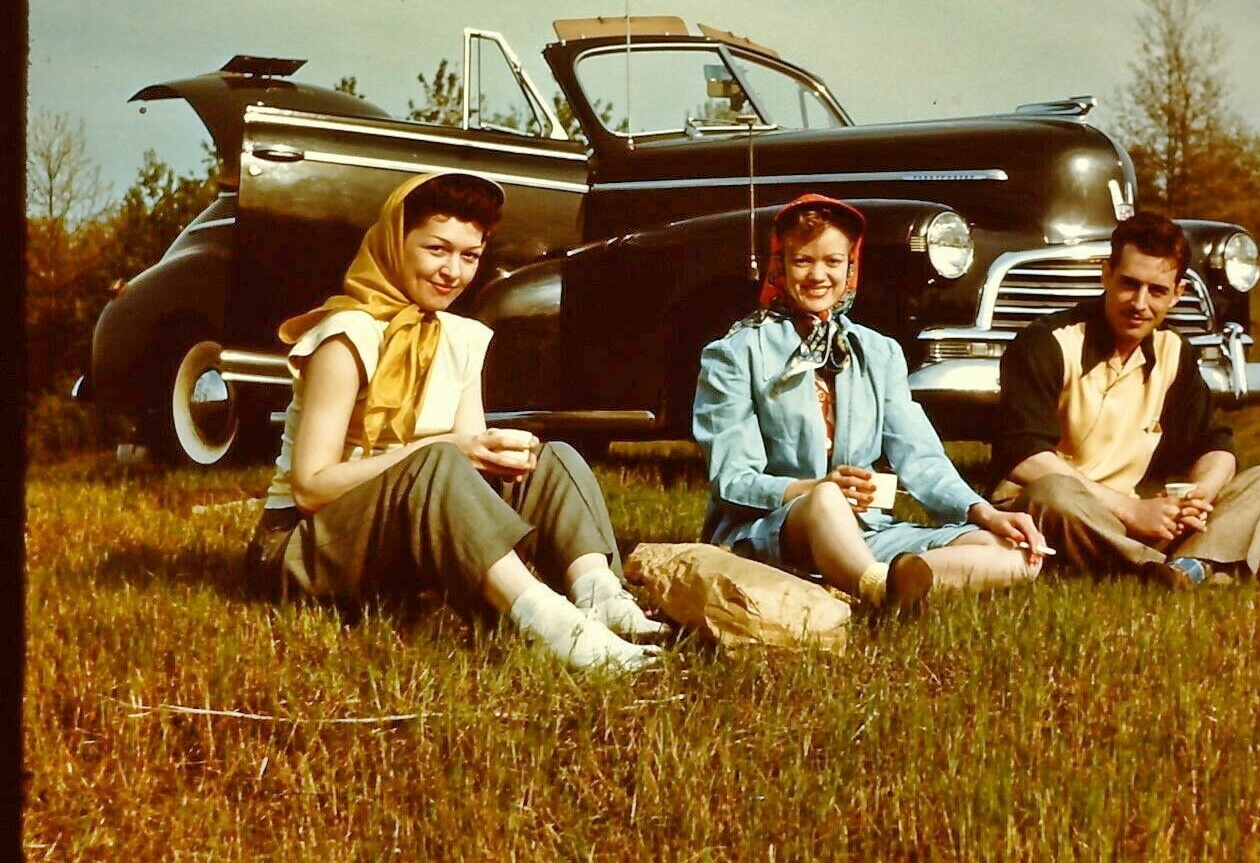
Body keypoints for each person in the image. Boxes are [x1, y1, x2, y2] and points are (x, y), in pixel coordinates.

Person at [243, 171, 665, 671]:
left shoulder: (462, 337)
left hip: (407, 528)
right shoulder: (346, 335)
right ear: (394, 243)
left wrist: (498, 456)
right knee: (440, 460)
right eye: (436, 249)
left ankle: (596, 591)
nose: (453, 271)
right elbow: (310, 488)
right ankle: (554, 625)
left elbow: (466, 461)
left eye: (470, 256)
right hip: (304, 545)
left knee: (555, 460)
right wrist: (443, 450)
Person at [693, 193, 1046, 611]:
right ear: (780, 267)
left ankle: (897, 581)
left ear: (851, 267)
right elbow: (732, 479)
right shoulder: (735, 353)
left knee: (1016, 553)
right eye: (803, 261)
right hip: (769, 530)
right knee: (825, 501)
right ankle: (877, 589)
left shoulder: (880, 354)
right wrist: (815, 488)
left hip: (867, 530)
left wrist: (984, 513)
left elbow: (921, 458)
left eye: (833, 262)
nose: (818, 275)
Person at [990, 210, 1260, 588]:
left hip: (1131, 518)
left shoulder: (1173, 351)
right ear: (1105, 274)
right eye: (1129, 284)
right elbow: (1025, 457)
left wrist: (1198, 498)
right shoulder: (1048, 342)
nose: (1140, 303)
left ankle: (1174, 567)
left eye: (1158, 290)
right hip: (1057, 513)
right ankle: (1191, 565)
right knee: (1054, 492)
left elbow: (1215, 444)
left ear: (1178, 294)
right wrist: (1130, 510)